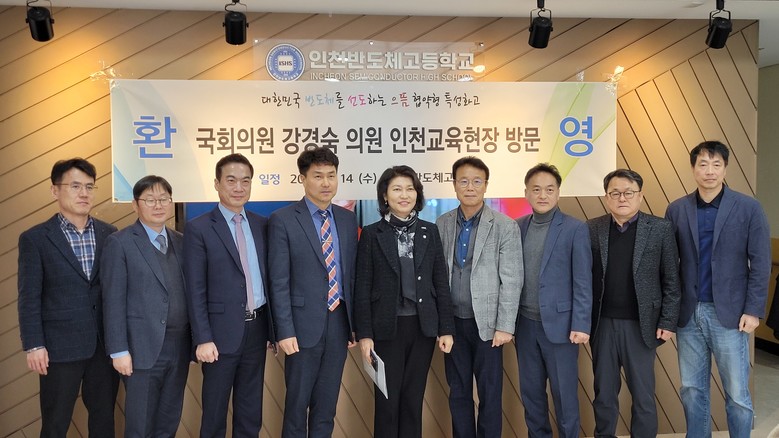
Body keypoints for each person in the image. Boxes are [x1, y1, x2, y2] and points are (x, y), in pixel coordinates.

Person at [665, 141, 771, 438]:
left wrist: (753, 309)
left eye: (716, 164)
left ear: (725, 168)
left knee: (737, 394)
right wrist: (668, 312)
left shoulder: (748, 208)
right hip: (689, 313)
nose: (709, 171)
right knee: (691, 389)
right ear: (693, 168)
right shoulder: (677, 209)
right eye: (703, 164)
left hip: (731, 314)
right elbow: (668, 265)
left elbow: (761, 262)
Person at [17, 158, 119, 437]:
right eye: (75, 186)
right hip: (59, 348)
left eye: (89, 186)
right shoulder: (36, 239)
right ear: (55, 190)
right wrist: (34, 344)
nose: (84, 193)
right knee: (55, 424)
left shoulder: (110, 234)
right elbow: (29, 297)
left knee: (104, 421)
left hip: (103, 346)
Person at [354, 165, 455, 438]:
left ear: (417, 194)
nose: (404, 195)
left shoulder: (429, 231)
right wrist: (365, 334)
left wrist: (446, 328)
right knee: (387, 402)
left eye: (410, 189)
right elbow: (362, 287)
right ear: (385, 195)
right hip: (385, 329)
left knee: (413, 400)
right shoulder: (372, 234)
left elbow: (440, 282)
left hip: (422, 328)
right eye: (397, 189)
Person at [268, 148, 358, 438]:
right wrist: (284, 330)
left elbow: (351, 275)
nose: (326, 183)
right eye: (318, 176)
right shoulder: (283, 219)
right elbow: (278, 280)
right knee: (296, 406)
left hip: (338, 323)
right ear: (302, 179)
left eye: (331, 175)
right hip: (300, 327)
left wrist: (354, 325)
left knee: (326, 407)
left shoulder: (346, 220)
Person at [183, 153, 274, 438]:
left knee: (250, 411)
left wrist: (272, 329)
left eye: (245, 181)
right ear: (217, 184)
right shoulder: (198, 228)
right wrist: (202, 337)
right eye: (231, 180)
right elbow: (195, 289)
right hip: (219, 334)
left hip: (257, 329)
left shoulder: (262, 224)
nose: (239, 187)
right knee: (214, 413)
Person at [587, 168, 680, 438]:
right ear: (606, 197)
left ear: (640, 196)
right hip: (602, 324)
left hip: (642, 325)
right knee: (604, 393)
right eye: (615, 193)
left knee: (643, 395)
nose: (622, 198)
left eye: (629, 193)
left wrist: (668, 321)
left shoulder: (660, 229)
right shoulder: (592, 228)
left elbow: (672, 279)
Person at [436, 156, 523, 438]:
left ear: (486, 185)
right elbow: (438, 275)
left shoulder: (504, 226)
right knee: (458, 392)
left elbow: (512, 279)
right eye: (463, 181)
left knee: (490, 394)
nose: (470, 187)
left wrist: (505, 326)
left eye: (476, 181)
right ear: (454, 185)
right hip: (452, 323)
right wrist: (441, 323)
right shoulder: (442, 223)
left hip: (488, 326)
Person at [101, 175, 190, 437]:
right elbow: (112, 299)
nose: (158, 205)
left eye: (163, 199)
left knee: (169, 421)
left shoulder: (181, 241)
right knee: (140, 425)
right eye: (150, 200)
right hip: (141, 349)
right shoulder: (120, 243)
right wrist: (119, 350)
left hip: (179, 347)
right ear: (135, 205)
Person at [515, 163, 592, 438]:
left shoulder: (575, 228)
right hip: (525, 326)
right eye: (536, 189)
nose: (543, 195)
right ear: (526, 193)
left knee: (564, 395)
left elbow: (583, 280)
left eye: (549, 189)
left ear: (558, 193)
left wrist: (581, 323)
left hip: (561, 327)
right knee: (531, 394)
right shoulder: (517, 227)